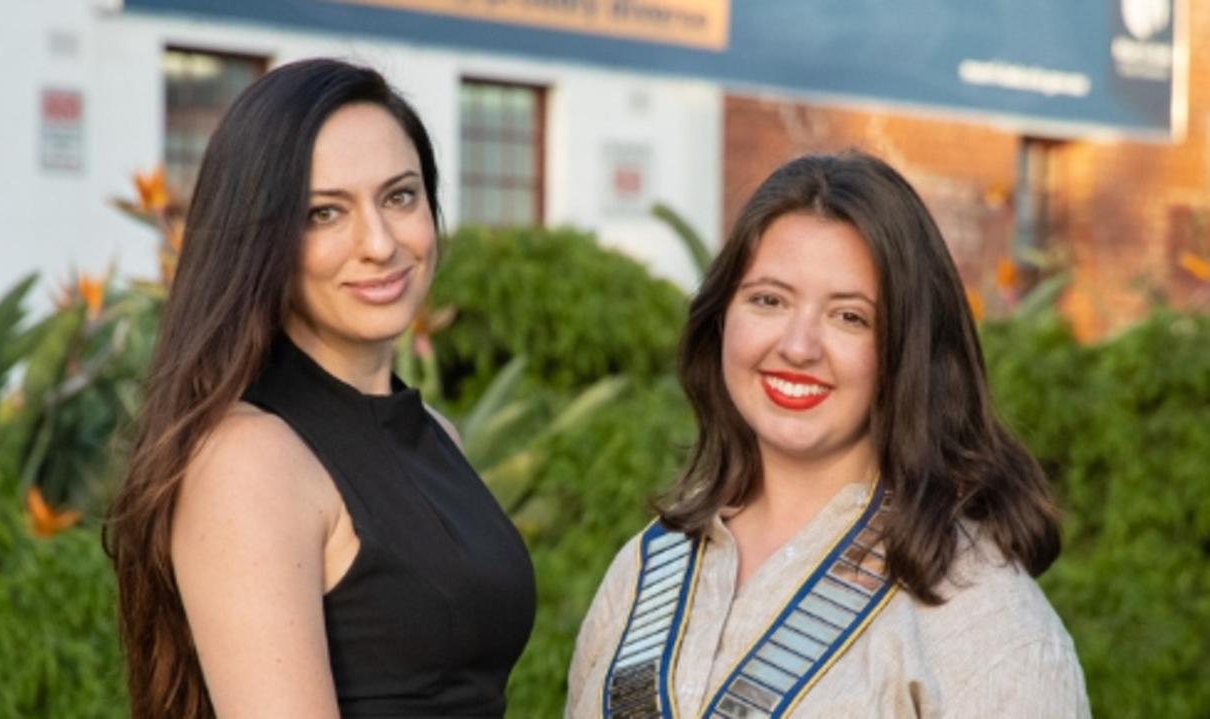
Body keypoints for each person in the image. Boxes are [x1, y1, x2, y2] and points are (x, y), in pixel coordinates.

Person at [566, 151, 1089, 718]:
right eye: (768, 300)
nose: (797, 346)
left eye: (850, 317)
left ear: (906, 352)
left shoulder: (984, 615)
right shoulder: (647, 568)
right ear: (721, 317)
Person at [105, 59, 535, 718]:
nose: (380, 243)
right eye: (324, 212)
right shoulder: (248, 459)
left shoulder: (436, 434)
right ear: (261, 239)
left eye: (399, 196)